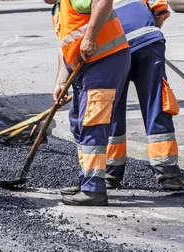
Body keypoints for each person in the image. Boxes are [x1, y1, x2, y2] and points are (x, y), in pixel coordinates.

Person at [50, 0, 131, 206]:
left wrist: (90, 37)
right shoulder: (59, 9)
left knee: (92, 122)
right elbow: (65, 48)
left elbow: (103, 1)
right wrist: (60, 82)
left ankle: (94, 189)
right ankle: (86, 178)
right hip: (84, 68)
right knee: (77, 121)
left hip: (105, 61)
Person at [103, 0, 184, 191]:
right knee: (155, 103)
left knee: (112, 108)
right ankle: (167, 173)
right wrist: (148, 42)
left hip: (113, 47)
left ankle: (110, 173)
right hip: (148, 41)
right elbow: (160, 9)